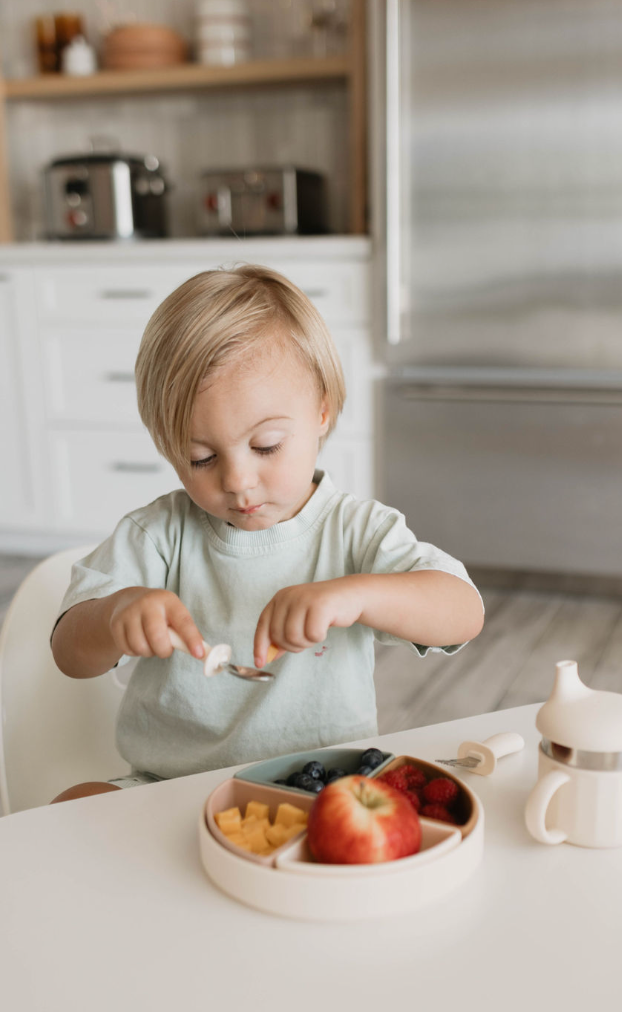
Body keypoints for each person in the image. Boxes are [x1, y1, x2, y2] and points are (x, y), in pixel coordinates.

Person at [50, 264, 484, 802]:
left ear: (321, 410)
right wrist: (114, 616)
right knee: (71, 804)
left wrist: (357, 595)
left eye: (266, 446)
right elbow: (69, 653)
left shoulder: (355, 531)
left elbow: (464, 613)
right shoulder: (158, 534)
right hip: (166, 787)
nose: (237, 481)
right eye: (200, 458)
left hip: (321, 789)